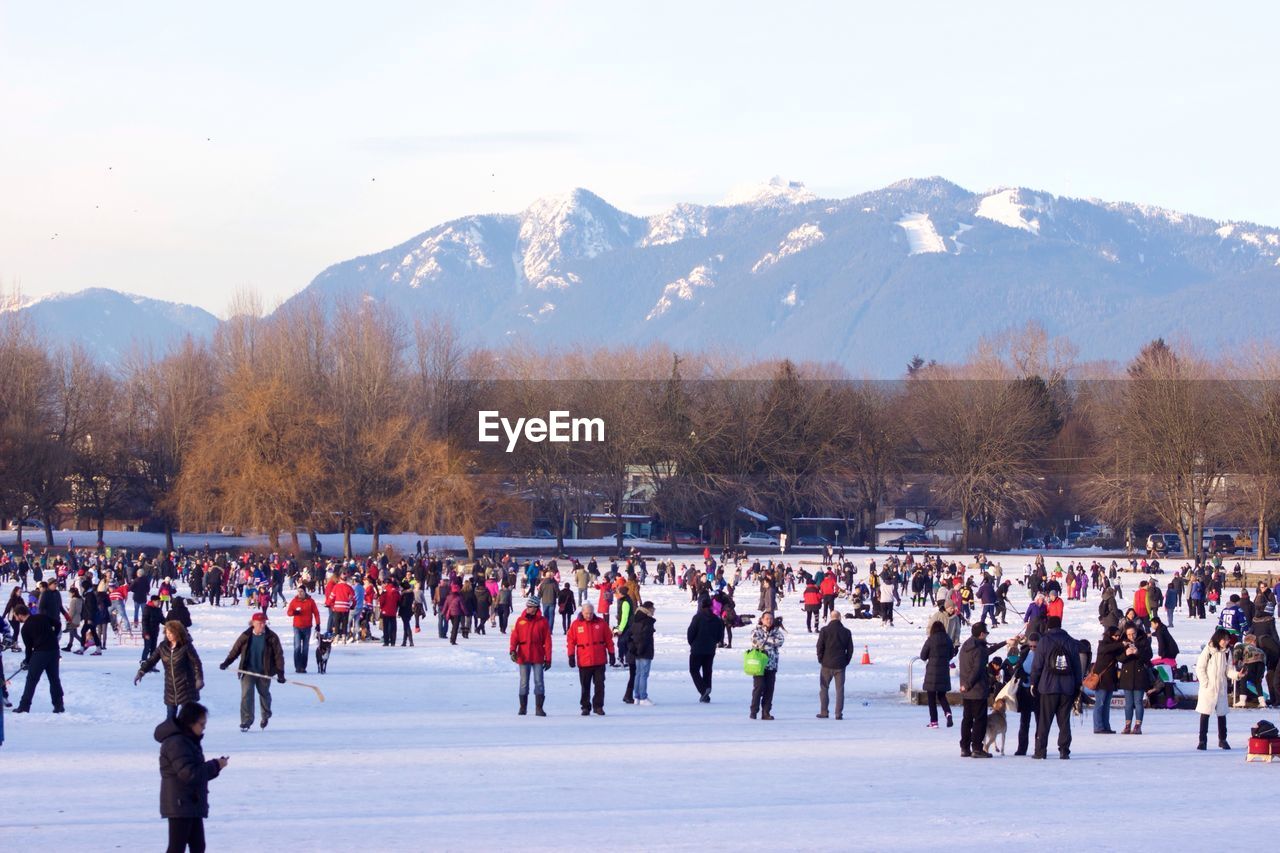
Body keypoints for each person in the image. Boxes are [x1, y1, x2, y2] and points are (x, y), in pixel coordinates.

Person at [156, 702, 227, 853]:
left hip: (190, 802)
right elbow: (189, 773)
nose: (204, 728)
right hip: (180, 804)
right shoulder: (176, 743)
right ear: (190, 723)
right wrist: (215, 765)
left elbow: (195, 772)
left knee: (198, 846)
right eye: (202, 724)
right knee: (177, 847)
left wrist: (216, 766)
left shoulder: (188, 740)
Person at [218, 613, 286, 732]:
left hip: (264, 671)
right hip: (248, 671)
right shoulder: (246, 636)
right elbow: (235, 650)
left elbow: (278, 655)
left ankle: (265, 715)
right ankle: (246, 720)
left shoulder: (272, 637)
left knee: (264, 694)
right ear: (253, 623)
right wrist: (226, 663)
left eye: (264, 623)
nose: (262, 625)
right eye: (260, 623)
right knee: (246, 695)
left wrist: (280, 673)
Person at [1030, 615, 1082, 759]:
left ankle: (1041, 750)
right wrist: (1078, 684)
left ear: (1049, 626)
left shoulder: (1044, 641)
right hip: (1067, 687)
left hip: (1047, 686)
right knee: (1064, 721)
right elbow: (1077, 666)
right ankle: (1064, 749)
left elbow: (1037, 665)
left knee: (1044, 720)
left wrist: (1034, 682)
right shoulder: (1070, 641)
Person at [136, 621, 205, 721]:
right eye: (167, 633)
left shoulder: (186, 646)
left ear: (177, 632)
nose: (168, 635)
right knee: (170, 720)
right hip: (171, 688)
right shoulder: (163, 646)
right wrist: (141, 671)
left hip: (186, 687)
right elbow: (151, 660)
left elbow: (196, 663)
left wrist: (199, 679)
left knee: (187, 720)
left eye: (171, 633)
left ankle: (186, 736)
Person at [957, 622, 1007, 757]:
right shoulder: (979, 650)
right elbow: (977, 670)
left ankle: (965, 747)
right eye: (986, 634)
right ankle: (977, 749)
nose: (986, 636)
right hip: (977, 690)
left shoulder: (967, 646)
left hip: (967, 692)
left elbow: (987, 651)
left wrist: (1004, 643)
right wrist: (968, 684)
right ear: (982, 634)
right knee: (980, 720)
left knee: (967, 719)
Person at [11, 602, 64, 714]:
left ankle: (24, 706)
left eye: (16, 616)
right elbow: (58, 623)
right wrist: (53, 636)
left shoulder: (25, 629)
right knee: (54, 679)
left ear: (20, 614)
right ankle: (59, 705)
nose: (16, 618)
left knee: (31, 680)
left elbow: (29, 648)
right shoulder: (42, 617)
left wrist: (27, 661)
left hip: (40, 653)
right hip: (54, 651)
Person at [566, 603, 614, 716]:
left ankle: (598, 706)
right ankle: (585, 707)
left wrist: (611, 653)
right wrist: (571, 656)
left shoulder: (601, 623)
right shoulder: (576, 625)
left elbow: (608, 639)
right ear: (582, 612)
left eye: (591, 613)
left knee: (599, 685)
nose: (589, 615)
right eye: (587, 613)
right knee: (585, 685)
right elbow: (571, 641)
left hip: (599, 660)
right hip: (584, 660)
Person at [509, 597, 552, 716]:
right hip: (523, 654)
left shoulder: (542, 622)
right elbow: (514, 637)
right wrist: (512, 650)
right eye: (527, 606)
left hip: (537, 654)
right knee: (524, 682)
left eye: (530, 607)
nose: (527, 609)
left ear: (536, 608)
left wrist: (548, 658)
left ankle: (539, 708)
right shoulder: (520, 620)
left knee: (539, 682)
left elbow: (548, 641)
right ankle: (523, 707)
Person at [1195, 628, 1236, 750]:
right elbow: (1200, 668)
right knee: (1205, 714)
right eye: (1224, 639)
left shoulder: (1227, 652)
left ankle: (1222, 739)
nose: (1226, 642)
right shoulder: (1209, 650)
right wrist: (1205, 683)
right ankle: (1202, 741)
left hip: (1221, 687)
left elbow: (1228, 670)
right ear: (1218, 638)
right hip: (1208, 688)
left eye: (1227, 639)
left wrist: (1237, 675)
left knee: (1222, 715)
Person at [816, 610, 853, 719]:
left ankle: (824, 711)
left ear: (830, 618)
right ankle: (838, 714)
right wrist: (846, 661)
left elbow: (819, 646)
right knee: (840, 690)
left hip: (826, 663)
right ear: (840, 618)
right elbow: (850, 649)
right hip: (840, 664)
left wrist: (821, 659)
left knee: (824, 688)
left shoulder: (824, 630)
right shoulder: (846, 632)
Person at [686, 596, 725, 702]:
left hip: (697, 649)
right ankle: (706, 694)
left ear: (701, 606)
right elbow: (720, 635)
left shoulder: (697, 618)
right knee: (707, 671)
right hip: (710, 649)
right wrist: (713, 642)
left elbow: (690, 633)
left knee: (694, 670)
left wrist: (692, 643)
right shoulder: (716, 619)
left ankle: (703, 690)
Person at [1116, 624, 1152, 734]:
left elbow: (1148, 656)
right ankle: (1127, 725)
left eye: (1133, 634)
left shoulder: (1144, 641)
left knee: (1138, 702)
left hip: (1139, 675)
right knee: (1128, 703)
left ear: (1137, 632)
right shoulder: (1123, 642)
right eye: (1129, 634)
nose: (1131, 636)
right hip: (1127, 675)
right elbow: (1118, 657)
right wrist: (1126, 654)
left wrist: (1138, 653)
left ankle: (1138, 725)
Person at [919, 620, 955, 728]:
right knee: (942, 695)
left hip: (932, 672)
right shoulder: (948, 640)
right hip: (944, 670)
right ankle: (948, 713)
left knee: (931, 697)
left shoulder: (931, 640)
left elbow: (923, 656)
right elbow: (951, 654)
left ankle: (934, 721)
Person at [748, 611, 784, 720]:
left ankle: (766, 712)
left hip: (772, 665)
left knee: (769, 689)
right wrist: (770, 642)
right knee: (759, 688)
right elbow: (756, 642)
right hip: (759, 665)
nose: (769, 621)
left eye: (771, 619)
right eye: (767, 618)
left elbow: (780, 641)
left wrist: (766, 642)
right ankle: (754, 711)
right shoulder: (756, 630)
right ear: (762, 619)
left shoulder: (776, 631)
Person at [1091, 626, 1123, 734]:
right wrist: (1121, 644)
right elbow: (1107, 649)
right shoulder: (1103, 644)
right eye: (1115, 635)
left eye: (1119, 636)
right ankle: (1098, 727)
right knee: (1099, 704)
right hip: (1102, 680)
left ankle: (1106, 726)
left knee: (1106, 705)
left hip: (1110, 680)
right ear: (1109, 635)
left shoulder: (1115, 645)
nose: (1117, 638)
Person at [285, 587, 321, 674]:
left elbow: (316, 613)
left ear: (305, 592)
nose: (300, 593)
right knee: (297, 647)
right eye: (298, 592)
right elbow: (289, 612)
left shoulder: (310, 601)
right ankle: (297, 666)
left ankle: (303, 667)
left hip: (307, 627)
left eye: (301, 591)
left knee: (305, 648)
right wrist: (294, 613)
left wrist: (318, 624)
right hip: (297, 627)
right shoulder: (294, 601)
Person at [629, 601, 657, 705]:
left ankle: (637, 696)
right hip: (644, 650)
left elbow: (631, 634)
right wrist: (641, 648)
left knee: (638, 674)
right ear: (648, 609)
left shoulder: (636, 618)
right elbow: (645, 637)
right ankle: (643, 697)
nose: (654, 611)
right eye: (653, 608)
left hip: (636, 649)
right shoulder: (647, 621)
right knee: (643, 674)